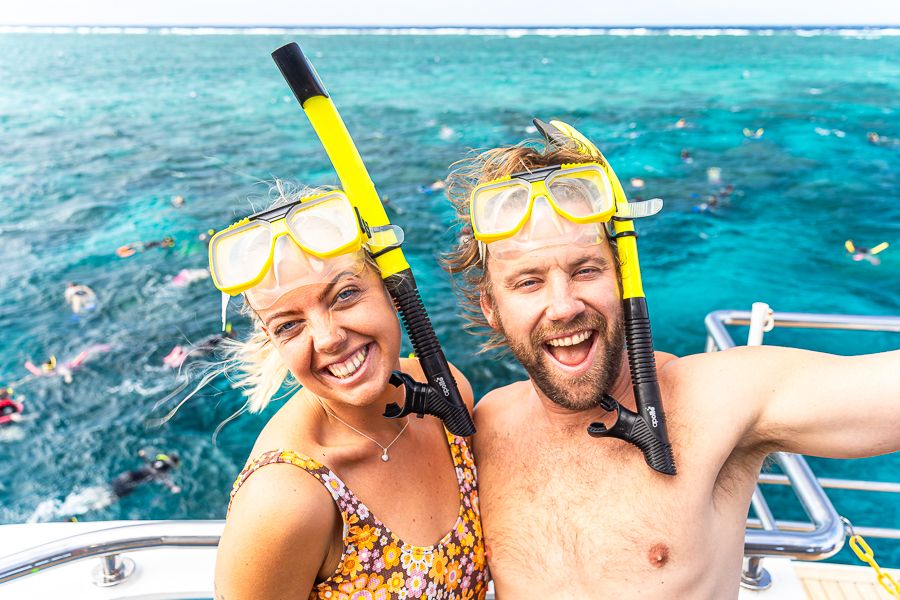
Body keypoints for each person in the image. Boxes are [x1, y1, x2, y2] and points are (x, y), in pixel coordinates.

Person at [443, 119, 900, 599]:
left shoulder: (716, 400)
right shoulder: (485, 428)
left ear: (626, 279)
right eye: (528, 282)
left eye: (586, 270)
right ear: (491, 308)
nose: (563, 306)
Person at [212, 187, 488, 600]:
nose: (328, 338)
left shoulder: (447, 396)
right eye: (289, 325)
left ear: (392, 288)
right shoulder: (285, 500)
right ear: (273, 340)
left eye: (344, 295)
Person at [111, 450, 182, 497]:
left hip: (127, 475)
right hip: (131, 482)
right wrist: (173, 487)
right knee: (117, 494)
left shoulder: (154, 464)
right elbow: (165, 480)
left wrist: (143, 455)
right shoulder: (162, 473)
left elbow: (148, 461)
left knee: (113, 489)